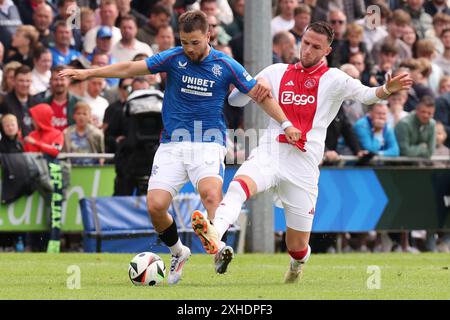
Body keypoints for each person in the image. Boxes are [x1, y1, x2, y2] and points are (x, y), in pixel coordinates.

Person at [59, 10, 299, 284]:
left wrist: (286, 124)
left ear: (208, 36)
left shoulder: (226, 64)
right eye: (184, 42)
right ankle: (178, 251)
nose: (189, 48)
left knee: (211, 194)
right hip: (172, 144)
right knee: (156, 206)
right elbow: (128, 69)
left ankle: (217, 247)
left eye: (194, 42)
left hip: (207, 142)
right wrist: (88, 73)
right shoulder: (173, 58)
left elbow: (259, 95)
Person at [190, 21, 413, 283]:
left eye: (316, 46)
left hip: (303, 165)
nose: (307, 50)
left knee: (295, 246)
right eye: (305, 42)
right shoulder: (275, 71)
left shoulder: (335, 79)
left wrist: (386, 90)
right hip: (271, 151)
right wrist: (254, 87)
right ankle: (214, 231)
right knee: (239, 186)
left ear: (327, 50)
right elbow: (234, 100)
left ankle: (297, 265)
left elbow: (366, 95)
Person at [23, 103, 64, 253]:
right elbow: (28, 155)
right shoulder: (31, 135)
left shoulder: (57, 134)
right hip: (34, 177)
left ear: (40, 118)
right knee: (32, 209)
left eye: (34, 117)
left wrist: (37, 144)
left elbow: (55, 151)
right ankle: (31, 244)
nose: (32, 121)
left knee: (55, 210)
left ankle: (54, 245)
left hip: (53, 175)